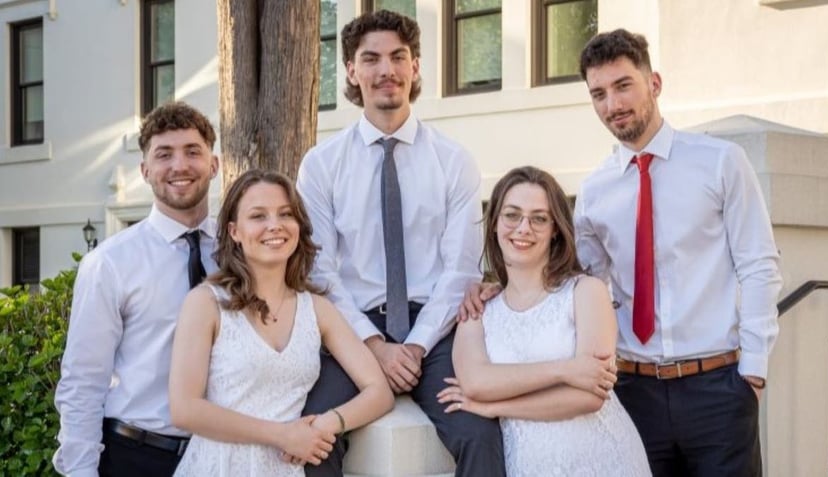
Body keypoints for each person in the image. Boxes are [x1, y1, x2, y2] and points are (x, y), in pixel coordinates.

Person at [461, 29, 783, 476]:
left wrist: (753, 372)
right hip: (634, 390)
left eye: (623, 86)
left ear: (654, 83)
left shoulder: (721, 163)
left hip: (717, 386)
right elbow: (568, 278)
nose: (612, 105)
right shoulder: (595, 189)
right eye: (598, 94)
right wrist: (499, 284)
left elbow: (759, 265)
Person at [296, 10, 505, 477]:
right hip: (352, 330)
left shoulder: (453, 161)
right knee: (314, 434)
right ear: (351, 70)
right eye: (370, 59)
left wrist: (414, 346)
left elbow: (461, 271)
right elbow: (320, 272)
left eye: (398, 57)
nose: (385, 70)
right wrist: (373, 345)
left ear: (415, 67)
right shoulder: (321, 165)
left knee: (478, 434)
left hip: (434, 330)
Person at [168, 169, 393, 476]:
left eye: (286, 214)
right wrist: (281, 435)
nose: (274, 225)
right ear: (234, 231)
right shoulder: (205, 303)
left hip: (285, 469)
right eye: (258, 216)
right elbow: (184, 409)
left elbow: (379, 391)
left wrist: (327, 423)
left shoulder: (317, 308)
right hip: (217, 467)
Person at [439, 166, 650, 477]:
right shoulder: (477, 309)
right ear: (495, 222)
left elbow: (589, 396)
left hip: (604, 461)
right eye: (512, 215)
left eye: (539, 218)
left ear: (555, 229)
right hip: (528, 464)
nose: (524, 228)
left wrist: (495, 407)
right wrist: (566, 369)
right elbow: (475, 383)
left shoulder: (586, 291)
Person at [53, 102, 220, 476]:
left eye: (193, 151)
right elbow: (84, 380)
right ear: (145, 171)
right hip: (139, 455)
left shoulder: (240, 249)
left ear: (214, 164)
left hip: (225, 456)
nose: (179, 165)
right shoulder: (110, 263)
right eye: (164, 155)